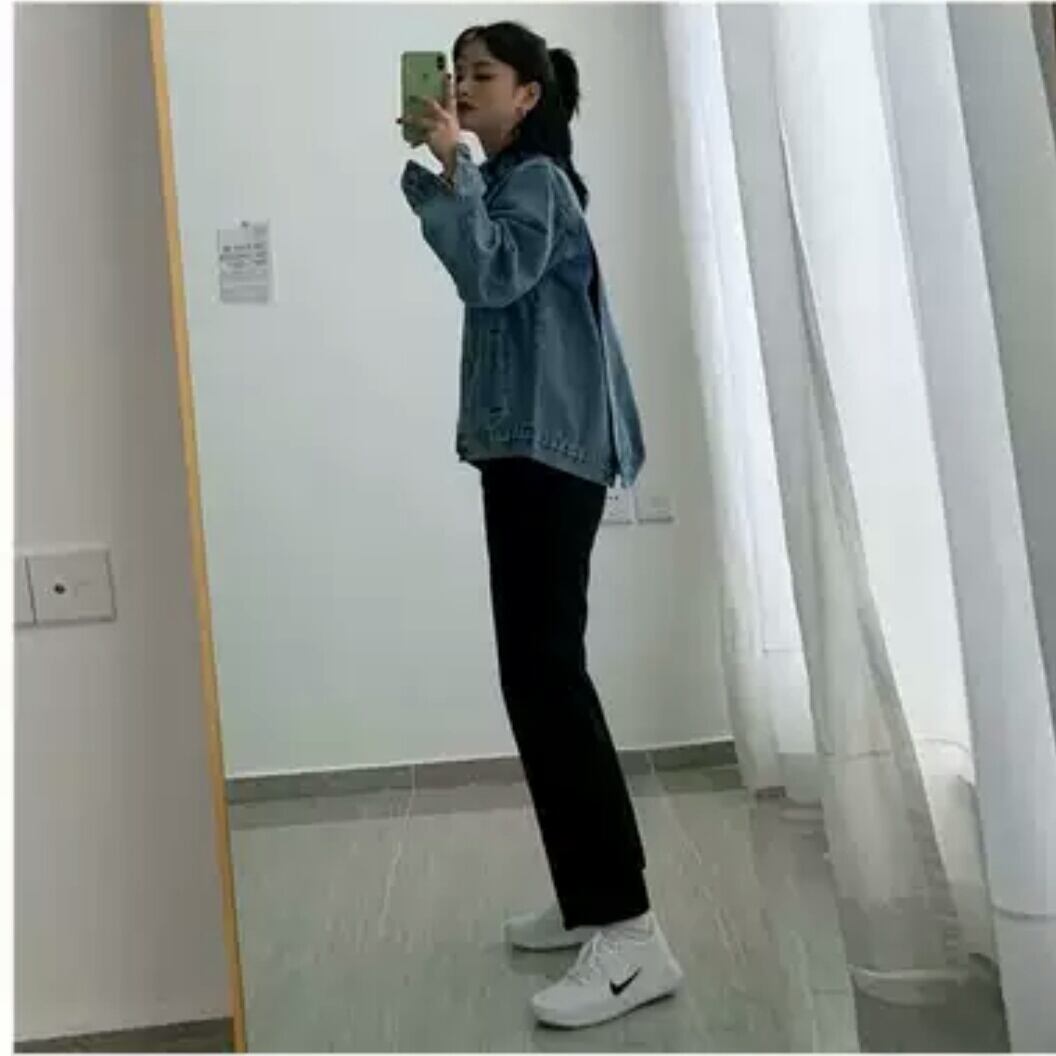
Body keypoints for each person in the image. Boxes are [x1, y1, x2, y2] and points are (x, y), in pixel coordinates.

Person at [399, 21, 683, 1030]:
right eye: (458, 72)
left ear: (527, 97)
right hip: (527, 453)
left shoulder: (539, 185)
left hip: (550, 458)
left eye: (483, 74)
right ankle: (588, 899)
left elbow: (490, 275)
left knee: (549, 681)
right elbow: (487, 270)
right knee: (537, 678)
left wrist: (450, 168)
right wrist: (449, 173)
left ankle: (632, 937)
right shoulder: (512, 182)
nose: (463, 85)